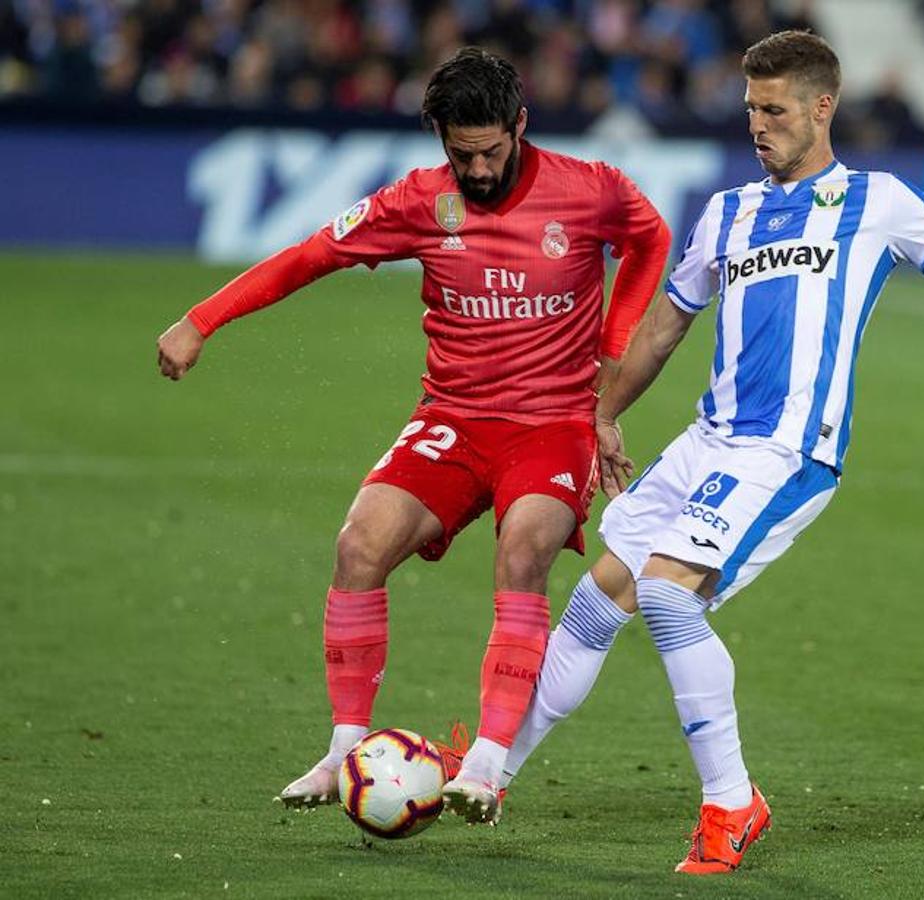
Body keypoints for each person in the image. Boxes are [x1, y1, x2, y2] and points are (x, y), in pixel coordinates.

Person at [496, 29, 924, 874]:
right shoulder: (727, 212)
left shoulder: (877, 200)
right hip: (705, 442)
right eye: (750, 109)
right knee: (593, 605)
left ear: (822, 107)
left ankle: (731, 804)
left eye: (774, 110)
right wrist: (602, 415)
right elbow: (663, 329)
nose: (757, 125)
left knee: (668, 598)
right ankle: (487, 775)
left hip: (788, 450)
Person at [155, 47, 672, 823]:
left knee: (523, 551)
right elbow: (309, 256)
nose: (478, 170)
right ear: (439, 140)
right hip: (452, 420)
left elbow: (650, 239)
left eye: (491, 151)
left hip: (552, 425)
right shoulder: (417, 201)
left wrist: (608, 360)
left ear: (520, 125)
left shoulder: (589, 188)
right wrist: (202, 320)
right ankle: (343, 751)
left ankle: (486, 766)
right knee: (358, 545)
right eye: (462, 155)